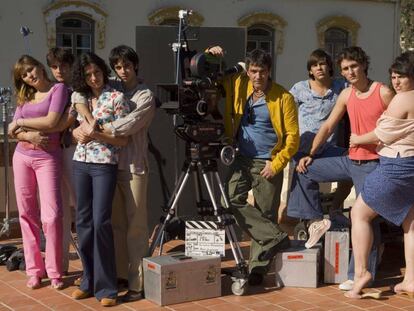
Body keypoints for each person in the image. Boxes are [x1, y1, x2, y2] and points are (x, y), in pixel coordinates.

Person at [288, 46, 394, 285]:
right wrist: (310, 153)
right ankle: (316, 221)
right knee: (304, 169)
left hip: (374, 164)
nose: (350, 72)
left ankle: (358, 275)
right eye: (345, 69)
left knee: (367, 219)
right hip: (349, 160)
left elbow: (399, 126)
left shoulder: (383, 92)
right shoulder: (347, 95)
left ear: (364, 65)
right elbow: (327, 127)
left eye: (353, 66)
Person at [208, 46, 299, 286]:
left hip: (268, 160)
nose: (257, 76)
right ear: (248, 70)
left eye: (262, 72)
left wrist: (277, 164)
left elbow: (292, 137)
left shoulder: (283, 97)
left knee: (266, 212)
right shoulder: (238, 84)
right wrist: (212, 52)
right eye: (253, 71)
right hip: (241, 156)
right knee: (229, 199)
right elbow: (212, 75)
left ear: (269, 72)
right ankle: (276, 237)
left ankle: (257, 268)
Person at [72, 45, 156, 302]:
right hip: (107, 167)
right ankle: (114, 275)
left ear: (135, 66)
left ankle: (136, 283)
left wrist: (91, 130)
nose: (122, 71)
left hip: (132, 166)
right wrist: (82, 121)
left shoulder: (144, 95)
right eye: (118, 67)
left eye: (127, 66)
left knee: (136, 228)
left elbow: (127, 127)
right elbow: (78, 92)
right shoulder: (109, 85)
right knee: (113, 226)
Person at [345, 52, 414, 299]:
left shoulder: (402, 99)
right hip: (411, 167)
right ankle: (411, 280)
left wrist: (357, 139)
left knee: (359, 213)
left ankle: (361, 272)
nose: (396, 82)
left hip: (395, 166)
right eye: (394, 76)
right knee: (411, 223)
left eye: (402, 76)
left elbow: (382, 134)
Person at [69, 52, 129, 307]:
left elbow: (123, 139)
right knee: (82, 222)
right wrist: (77, 134)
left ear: (104, 72)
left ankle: (107, 287)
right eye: (88, 74)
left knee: (100, 221)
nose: (94, 78)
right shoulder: (80, 98)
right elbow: (73, 129)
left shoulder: (116, 98)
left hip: (104, 164)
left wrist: (96, 135)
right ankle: (88, 280)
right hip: (80, 163)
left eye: (97, 72)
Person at [8, 55, 68, 290]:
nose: (30, 75)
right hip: (22, 156)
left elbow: (53, 122)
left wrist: (21, 123)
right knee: (26, 214)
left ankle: (54, 271)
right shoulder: (25, 96)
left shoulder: (58, 89)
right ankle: (34, 270)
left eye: (31, 69)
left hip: (47, 158)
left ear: (40, 67)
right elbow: (14, 131)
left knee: (51, 216)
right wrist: (27, 134)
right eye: (24, 74)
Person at [288, 49, 353, 229]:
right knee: (302, 175)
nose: (319, 68)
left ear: (330, 67)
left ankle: (334, 210)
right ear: (310, 70)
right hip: (302, 149)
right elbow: (283, 110)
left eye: (323, 63)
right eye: (315, 65)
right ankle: (314, 221)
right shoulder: (299, 88)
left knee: (354, 164)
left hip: (328, 148)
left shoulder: (341, 86)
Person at [46, 47, 75, 274]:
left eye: (63, 65)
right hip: (53, 153)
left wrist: (46, 128)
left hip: (75, 151)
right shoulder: (51, 90)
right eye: (54, 66)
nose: (59, 70)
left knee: (82, 207)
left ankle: (91, 265)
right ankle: (61, 264)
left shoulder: (76, 90)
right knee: (59, 211)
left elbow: (64, 122)